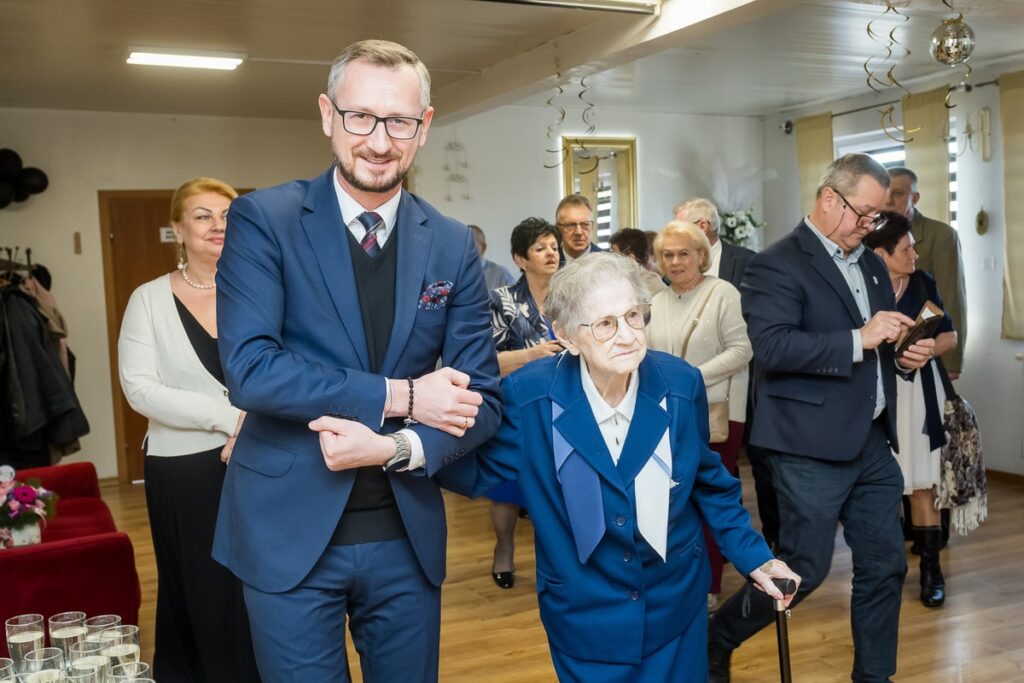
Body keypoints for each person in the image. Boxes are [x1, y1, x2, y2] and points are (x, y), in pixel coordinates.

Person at [212, 40, 502, 683]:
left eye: (399, 121)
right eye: (360, 117)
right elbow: (252, 370)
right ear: (327, 115)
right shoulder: (265, 219)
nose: (378, 141)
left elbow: (482, 400)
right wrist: (403, 397)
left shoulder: (451, 243)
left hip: (405, 531)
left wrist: (396, 448)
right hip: (286, 530)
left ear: (424, 126)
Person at [438, 252, 798, 682]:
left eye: (632, 316)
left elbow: (708, 482)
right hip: (585, 612)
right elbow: (474, 469)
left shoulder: (680, 383)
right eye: (606, 324)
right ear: (566, 335)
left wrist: (756, 558)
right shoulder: (531, 396)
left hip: (675, 604)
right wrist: (407, 445)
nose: (627, 336)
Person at [708, 153, 937, 683]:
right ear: (830, 199)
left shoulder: (872, 264)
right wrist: (860, 337)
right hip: (806, 446)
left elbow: (875, 353)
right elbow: (772, 348)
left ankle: (873, 677)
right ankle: (718, 637)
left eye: (877, 217)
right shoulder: (776, 264)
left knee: (885, 565)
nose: (870, 225)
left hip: (871, 442)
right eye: (865, 213)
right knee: (803, 571)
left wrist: (903, 358)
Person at [118, 177, 260, 682]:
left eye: (227, 216)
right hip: (185, 471)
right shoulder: (148, 300)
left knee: (262, 590)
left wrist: (255, 429)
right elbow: (140, 389)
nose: (218, 225)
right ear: (178, 229)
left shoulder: (263, 292)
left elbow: (289, 372)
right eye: (203, 216)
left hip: (263, 462)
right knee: (202, 590)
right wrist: (232, 419)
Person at [647, 220, 753, 610]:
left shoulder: (722, 293)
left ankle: (709, 587)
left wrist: (689, 379)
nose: (675, 262)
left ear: (701, 256)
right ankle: (681, 579)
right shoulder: (657, 301)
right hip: (667, 414)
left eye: (684, 254)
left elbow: (742, 350)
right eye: (668, 255)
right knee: (674, 499)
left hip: (716, 414)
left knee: (710, 498)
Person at [863, 211, 957, 608]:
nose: (914, 254)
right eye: (906, 249)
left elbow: (950, 335)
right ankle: (887, 571)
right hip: (876, 392)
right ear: (880, 254)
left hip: (919, 392)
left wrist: (926, 347)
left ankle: (931, 570)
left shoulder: (922, 282)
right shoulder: (860, 286)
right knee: (881, 487)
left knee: (922, 484)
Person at [674, 197, 779, 549]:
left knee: (762, 465)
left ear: (702, 227)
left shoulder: (749, 263)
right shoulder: (675, 271)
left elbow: (763, 324)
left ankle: (774, 543)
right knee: (716, 470)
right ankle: (721, 543)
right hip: (701, 390)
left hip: (749, 382)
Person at [485, 217, 564, 589]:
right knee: (507, 488)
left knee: (560, 489)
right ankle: (504, 549)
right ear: (520, 259)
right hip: (516, 409)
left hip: (564, 406)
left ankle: (559, 559)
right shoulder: (503, 301)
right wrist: (532, 355)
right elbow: (487, 362)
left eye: (554, 247)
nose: (551, 254)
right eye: (540, 248)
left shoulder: (571, 296)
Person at [885, 167, 967, 378]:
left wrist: (952, 363)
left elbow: (951, 298)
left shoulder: (941, 235)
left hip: (928, 351)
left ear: (915, 198)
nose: (889, 201)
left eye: (898, 193)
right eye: (886, 193)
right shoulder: (870, 234)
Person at [673, 198, 754, 289]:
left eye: (679, 229)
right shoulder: (673, 265)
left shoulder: (747, 261)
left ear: (702, 227)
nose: (674, 236)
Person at [609, 227, 666, 297]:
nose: (612, 258)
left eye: (615, 254)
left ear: (630, 256)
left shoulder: (651, 282)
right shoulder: (616, 279)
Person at [556, 194, 605, 264]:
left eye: (585, 224)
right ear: (558, 228)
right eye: (571, 225)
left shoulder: (609, 263)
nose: (579, 232)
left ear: (592, 226)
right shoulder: (549, 263)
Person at [469, 223, 516, 293]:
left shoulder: (501, 275)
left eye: (470, 243)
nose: (464, 248)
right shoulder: (454, 274)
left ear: (483, 248)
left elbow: (514, 299)